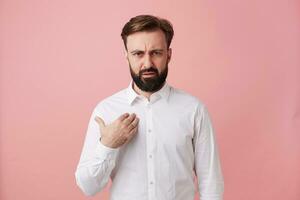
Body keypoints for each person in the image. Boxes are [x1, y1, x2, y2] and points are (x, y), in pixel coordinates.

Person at [75, 14, 224, 200]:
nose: (147, 63)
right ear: (126, 56)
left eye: (156, 53)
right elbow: (88, 187)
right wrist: (108, 145)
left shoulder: (194, 110)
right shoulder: (106, 111)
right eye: (138, 54)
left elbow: (211, 185)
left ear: (168, 55)